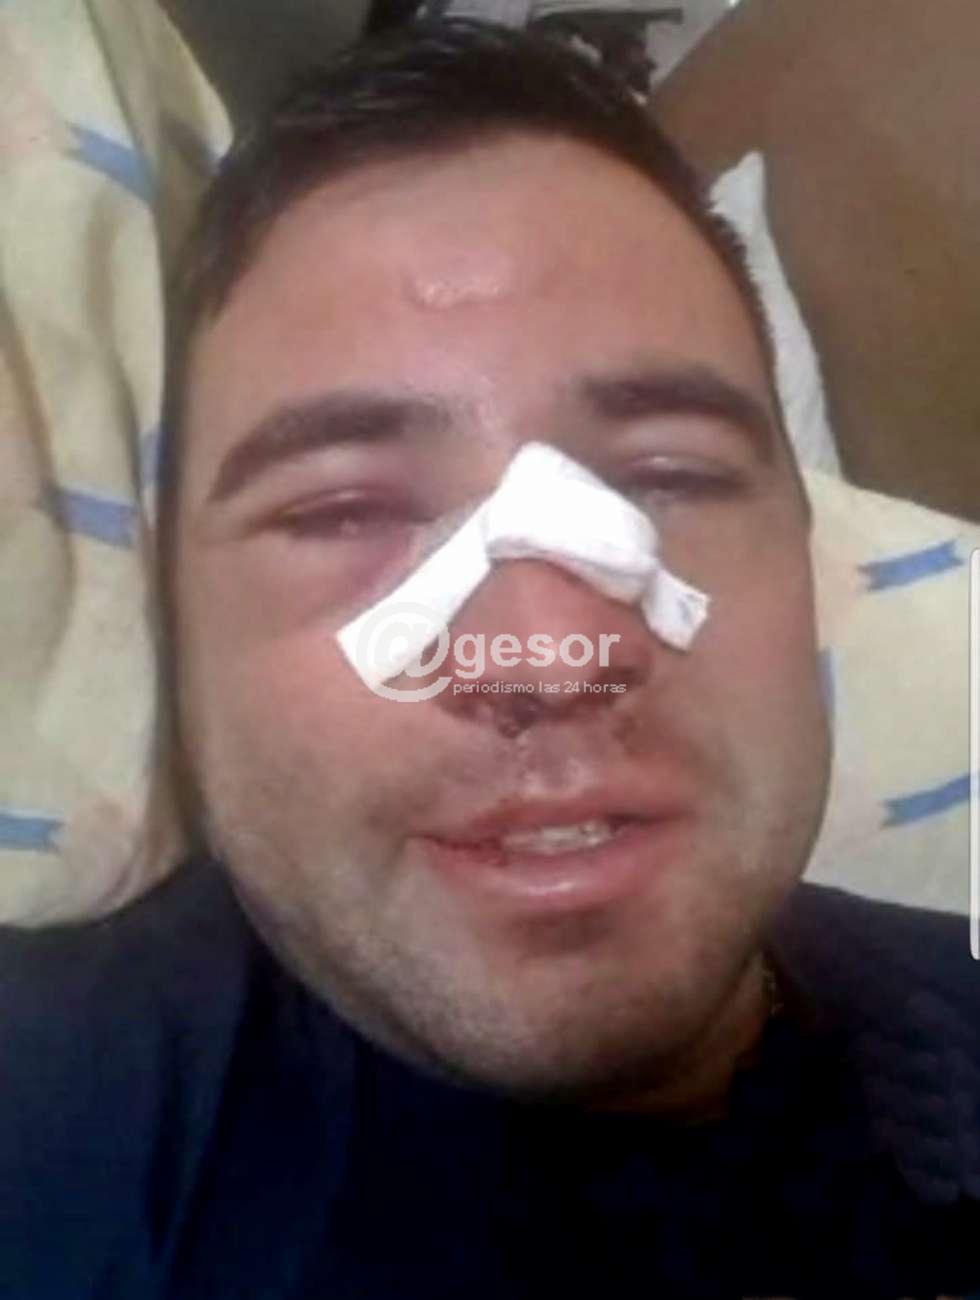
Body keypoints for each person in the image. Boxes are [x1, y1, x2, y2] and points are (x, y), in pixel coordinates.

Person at [2, 20, 978, 1300]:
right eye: (343, 509)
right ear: (178, 623)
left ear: (800, 558)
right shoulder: (57, 1115)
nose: (550, 654)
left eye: (668, 477)